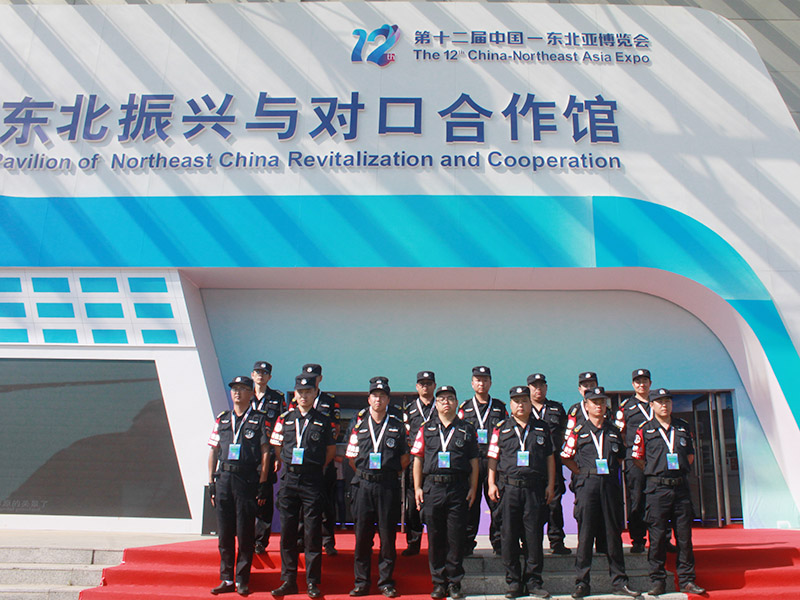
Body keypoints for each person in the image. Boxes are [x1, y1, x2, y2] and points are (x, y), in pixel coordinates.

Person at [561, 387, 640, 599]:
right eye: (594, 402)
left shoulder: (613, 430)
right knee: (586, 535)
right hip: (588, 485)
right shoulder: (578, 431)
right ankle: (582, 583)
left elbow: (620, 456)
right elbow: (566, 456)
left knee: (613, 534)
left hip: (610, 486)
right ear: (586, 406)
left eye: (602, 402)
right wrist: (582, 472)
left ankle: (619, 581)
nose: (599, 406)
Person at [632, 388, 706, 596]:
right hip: (657, 489)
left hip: (680, 488)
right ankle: (657, 580)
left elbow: (689, 455)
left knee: (684, 537)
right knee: (657, 537)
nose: (664, 405)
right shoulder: (645, 429)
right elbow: (638, 459)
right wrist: (656, 471)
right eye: (660, 402)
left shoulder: (682, 427)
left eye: (667, 401)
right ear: (652, 405)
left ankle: (687, 580)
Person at [270, 374, 336, 599]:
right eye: (300, 392)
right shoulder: (285, 418)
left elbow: (330, 451)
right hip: (289, 480)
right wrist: (289, 464)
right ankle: (288, 580)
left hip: (311, 480)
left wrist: (314, 467)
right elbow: (277, 446)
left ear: (315, 393)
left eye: (308, 392)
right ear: (295, 395)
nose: (304, 396)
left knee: (312, 532)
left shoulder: (323, 420)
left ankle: (312, 582)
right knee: (288, 532)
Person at [487, 385, 556, 599]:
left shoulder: (542, 428)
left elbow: (550, 458)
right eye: (516, 401)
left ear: (529, 403)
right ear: (511, 404)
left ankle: (534, 581)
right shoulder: (500, 428)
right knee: (508, 536)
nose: (521, 405)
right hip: (509, 489)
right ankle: (514, 582)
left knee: (533, 536)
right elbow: (493, 457)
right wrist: (491, 483)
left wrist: (551, 485)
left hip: (534, 489)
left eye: (524, 401)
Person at [412, 385, 479, 600]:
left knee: (456, 537)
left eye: (450, 398)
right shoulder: (426, 428)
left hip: (458, 488)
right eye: (442, 399)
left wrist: (473, 487)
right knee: (435, 537)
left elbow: (474, 461)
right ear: (437, 404)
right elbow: (418, 459)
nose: (446, 402)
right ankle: (439, 583)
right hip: (433, 488)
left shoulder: (467, 429)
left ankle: (455, 582)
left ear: (456, 403)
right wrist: (417, 487)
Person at [346, 380, 410, 598]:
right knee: (362, 536)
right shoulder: (358, 426)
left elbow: (405, 458)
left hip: (387, 486)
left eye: (382, 396)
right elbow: (352, 458)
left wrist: (388, 473)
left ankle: (386, 582)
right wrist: (365, 474)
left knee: (387, 537)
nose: (378, 399)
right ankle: (361, 582)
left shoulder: (398, 426)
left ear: (388, 400)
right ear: (369, 399)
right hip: (363, 486)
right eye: (375, 395)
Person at [207, 375, 270, 596]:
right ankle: (226, 578)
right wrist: (211, 482)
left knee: (245, 532)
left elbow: (265, 452)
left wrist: (263, 483)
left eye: (242, 388)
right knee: (225, 533)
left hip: (246, 479)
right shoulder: (222, 418)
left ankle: (242, 579)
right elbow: (213, 450)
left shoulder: (259, 419)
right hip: (224, 478)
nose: (237, 392)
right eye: (234, 388)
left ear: (251, 394)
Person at [458, 365, 507, 555]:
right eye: (478, 380)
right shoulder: (464, 408)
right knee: (470, 503)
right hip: (472, 462)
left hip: (493, 462)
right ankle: (467, 542)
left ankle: (499, 542)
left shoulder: (500, 408)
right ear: (472, 383)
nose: (481, 383)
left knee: (497, 503)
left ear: (490, 383)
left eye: (485, 380)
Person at [298, 363, 341, 556]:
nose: (310, 380)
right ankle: (301, 540)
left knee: (325, 502)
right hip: (302, 463)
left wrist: (322, 457)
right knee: (300, 503)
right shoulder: (297, 399)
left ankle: (327, 541)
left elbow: (335, 428)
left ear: (320, 379)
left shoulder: (329, 400)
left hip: (323, 460)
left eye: (314, 377)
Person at [527, 372, 570, 555]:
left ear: (546, 388)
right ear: (529, 388)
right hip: (532, 466)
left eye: (541, 385)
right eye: (534, 386)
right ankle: (529, 543)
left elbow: (567, 434)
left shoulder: (557, 409)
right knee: (531, 506)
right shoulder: (523, 408)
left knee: (555, 504)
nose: (538, 389)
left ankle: (556, 540)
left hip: (554, 464)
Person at [614, 368, 653, 554]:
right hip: (635, 458)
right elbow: (620, 433)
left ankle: (663, 538)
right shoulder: (626, 406)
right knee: (636, 498)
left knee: (659, 498)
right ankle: (638, 539)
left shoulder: (657, 403)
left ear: (650, 383)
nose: (641, 384)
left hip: (657, 457)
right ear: (633, 384)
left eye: (645, 381)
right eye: (638, 381)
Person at [250, 360, 285, 554]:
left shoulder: (277, 397)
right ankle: (247, 537)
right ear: (252, 375)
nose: (260, 376)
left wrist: (278, 455)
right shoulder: (246, 393)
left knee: (265, 496)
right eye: (257, 372)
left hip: (269, 452)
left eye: (264, 373)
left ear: (269, 377)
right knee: (246, 495)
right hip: (248, 452)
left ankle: (260, 541)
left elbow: (281, 425)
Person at [402, 370, 438, 556]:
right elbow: (404, 435)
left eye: (429, 383)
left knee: (435, 504)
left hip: (436, 462)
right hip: (414, 461)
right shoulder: (409, 409)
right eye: (422, 384)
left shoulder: (440, 406)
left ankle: (435, 544)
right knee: (412, 505)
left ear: (434, 386)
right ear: (417, 387)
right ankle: (413, 543)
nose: (425, 387)